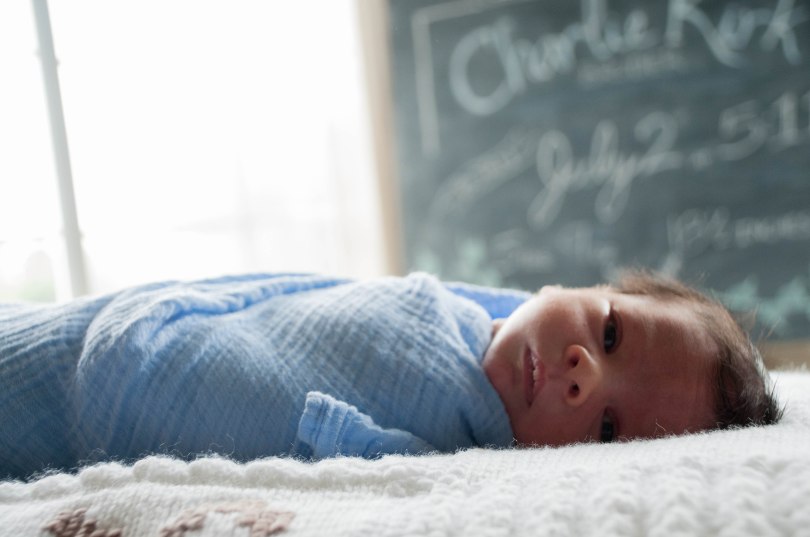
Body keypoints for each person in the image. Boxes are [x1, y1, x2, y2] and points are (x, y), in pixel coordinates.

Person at [0, 270, 780, 481]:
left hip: (97, 397)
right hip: (111, 321)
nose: (583, 374)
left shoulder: (465, 443)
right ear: (582, 283)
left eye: (607, 428)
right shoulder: (457, 307)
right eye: (610, 332)